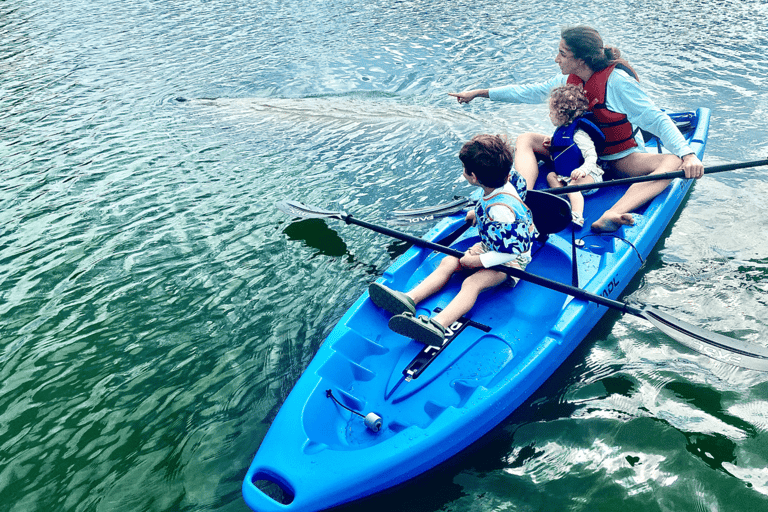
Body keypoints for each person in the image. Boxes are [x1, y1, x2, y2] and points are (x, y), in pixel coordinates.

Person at [448, 25, 704, 233]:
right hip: (577, 154)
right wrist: (481, 93)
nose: (556, 58)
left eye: (562, 53)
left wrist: (688, 154)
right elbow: (528, 91)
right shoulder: (567, 80)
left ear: (581, 59)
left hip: (617, 159)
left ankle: (612, 213)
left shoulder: (618, 84)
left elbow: (656, 120)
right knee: (527, 139)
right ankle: (521, 196)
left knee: (672, 161)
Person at [368, 134, 537, 345]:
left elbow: (512, 250)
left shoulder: (500, 211)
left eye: (464, 168)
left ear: (474, 177)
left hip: (509, 259)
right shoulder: (505, 177)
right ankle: (409, 298)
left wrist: (479, 262)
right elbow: (509, 197)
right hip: (491, 245)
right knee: (448, 261)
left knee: (472, 282)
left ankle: (438, 324)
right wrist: (478, 212)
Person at [544, 84, 605, 227]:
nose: (549, 115)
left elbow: (591, 156)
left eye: (552, 112)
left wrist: (583, 170)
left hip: (589, 176)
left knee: (573, 186)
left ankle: (578, 216)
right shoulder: (562, 130)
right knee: (550, 176)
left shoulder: (579, 134)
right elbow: (564, 147)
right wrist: (552, 144)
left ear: (563, 113)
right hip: (567, 177)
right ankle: (564, 199)